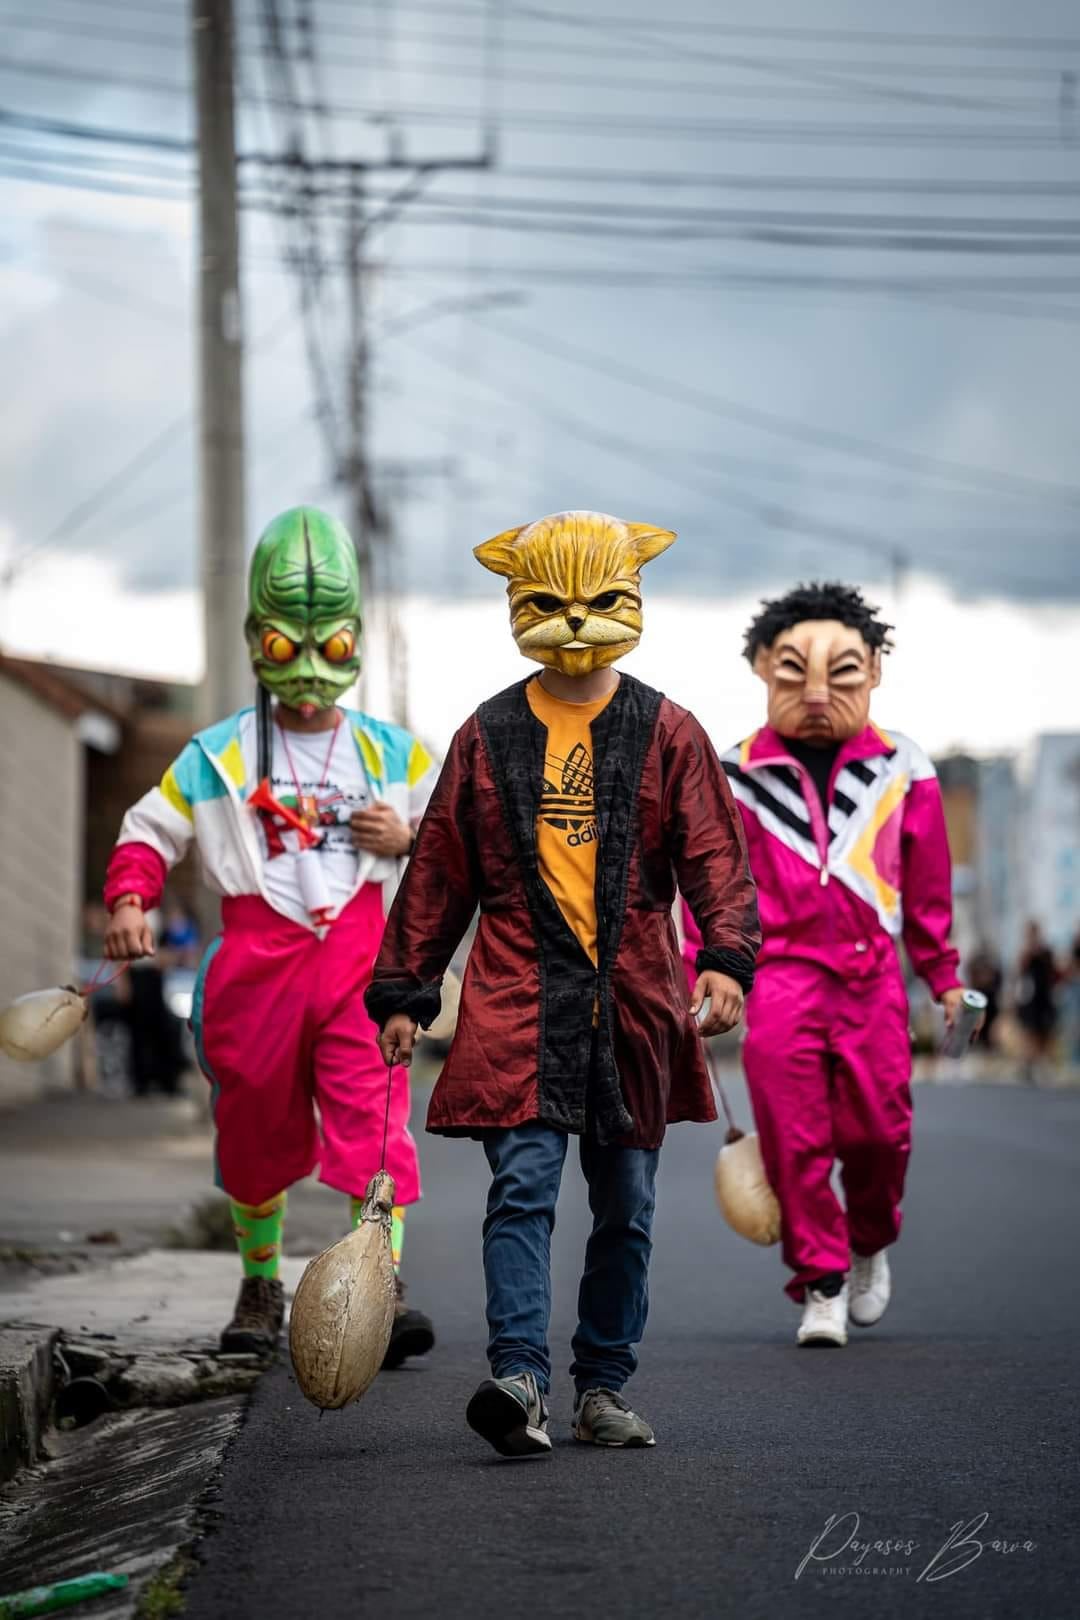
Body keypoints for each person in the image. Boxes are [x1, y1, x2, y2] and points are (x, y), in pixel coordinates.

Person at [365, 510, 760, 1457]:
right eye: (551, 602)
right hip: (514, 993)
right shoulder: (484, 734)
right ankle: (520, 1380)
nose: (576, 622)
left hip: (633, 1000)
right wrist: (406, 990)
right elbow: (441, 871)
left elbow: (714, 853)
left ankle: (602, 1386)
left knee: (627, 1203)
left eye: (600, 600)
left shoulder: (670, 731)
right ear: (515, 603)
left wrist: (726, 956)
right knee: (523, 1189)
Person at [102, 507, 437, 1363]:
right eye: (289, 645)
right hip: (256, 967)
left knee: (377, 1124)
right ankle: (260, 1282)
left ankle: (377, 1286)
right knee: (253, 1131)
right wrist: (131, 898)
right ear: (258, 637)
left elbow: (465, 845)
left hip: (364, 962)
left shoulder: (397, 756)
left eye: (332, 644)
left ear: (356, 639)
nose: (312, 667)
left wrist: (408, 840)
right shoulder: (216, 754)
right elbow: (148, 831)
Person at [683, 582, 975, 1348]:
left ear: (875, 669)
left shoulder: (904, 768)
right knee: (795, 1139)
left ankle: (870, 1239)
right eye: (793, 672)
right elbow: (708, 884)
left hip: (870, 979)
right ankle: (821, 1282)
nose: (817, 693)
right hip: (777, 980)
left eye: (842, 672)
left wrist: (943, 977)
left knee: (881, 1132)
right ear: (758, 667)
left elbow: (929, 889)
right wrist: (696, 971)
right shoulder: (734, 770)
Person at [1015, 921, 1058, 1080]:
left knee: (1045, 1031)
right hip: (1030, 998)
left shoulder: (1046, 951)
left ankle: (1043, 1063)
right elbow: (1020, 970)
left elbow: (1053, 971)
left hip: (1044, 996)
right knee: (1029, 1031)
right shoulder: (1025, 951)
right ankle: (1027, 1064)